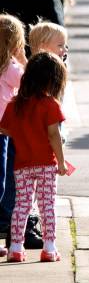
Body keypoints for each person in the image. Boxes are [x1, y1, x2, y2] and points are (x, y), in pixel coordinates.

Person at [0, 0, 58, 249]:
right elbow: (54, 51)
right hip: (32, 96)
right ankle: (25, 226)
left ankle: (7, 220)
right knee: (30, 164)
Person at [0, 52, 68, 263]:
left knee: (22, 205)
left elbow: (4, 129)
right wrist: (62, 161)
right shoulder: (50, 105)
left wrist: (23, 133)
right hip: (47, 163)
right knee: (47, 204)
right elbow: (54, 134)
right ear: (51, 80)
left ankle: (16, 248)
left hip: (22, 164)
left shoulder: (15, 104)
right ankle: (49, 247)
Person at [0, 14, 27, 259]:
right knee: (0, 183)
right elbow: (30, 82)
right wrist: (23, 58)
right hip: (1, 130)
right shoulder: (10, 67)